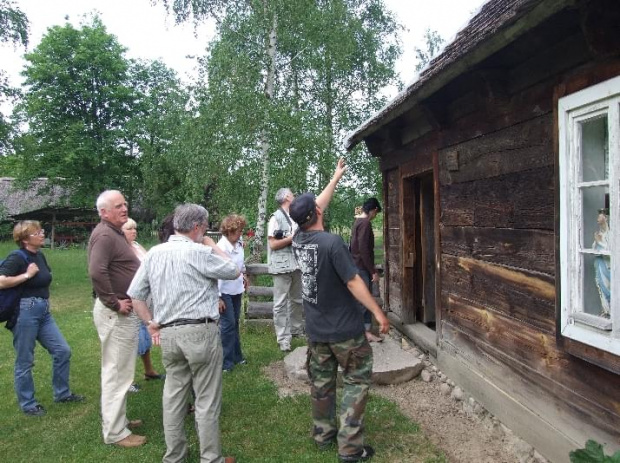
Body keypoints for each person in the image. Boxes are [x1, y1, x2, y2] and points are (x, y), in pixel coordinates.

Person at [289, 159, 390, 463]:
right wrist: (378, 313)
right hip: (346, 330)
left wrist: (336, 176)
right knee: (356, 383)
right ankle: (350, 449)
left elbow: (314, 206)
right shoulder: (332, 242)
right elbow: (353, 282)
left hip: (317, 331)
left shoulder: (298, 238)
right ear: (317, 214)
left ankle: (323, 434)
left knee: (321, 385)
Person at [128, 203, 239, 463]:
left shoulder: (154, 253)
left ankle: (175, 457)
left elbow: (135, 295)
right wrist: (212, 245)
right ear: (198, 227)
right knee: (206, 399)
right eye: (206, 228)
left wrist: (149, 322)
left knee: (174, 397)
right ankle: (211, 458)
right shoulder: (200, 252)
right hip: (200, 331)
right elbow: (233, 270)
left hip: (169, 334)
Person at [0, 221, 84, 417]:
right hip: (25, 312)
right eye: (38, 232)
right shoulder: (17, 257)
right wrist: (26, 275)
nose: (42, 234)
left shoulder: (40, 255)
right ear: (25, 238)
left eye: (41, 231)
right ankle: (28, 404)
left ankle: (62, 394)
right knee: (25, 360)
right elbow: (2, 281)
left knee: (62, 351)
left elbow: (46, 277)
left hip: (43, 311)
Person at [88, 190, 145, 448]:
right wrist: (114, 301)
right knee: (117, 372)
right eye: (118, 206)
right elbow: (96, 271)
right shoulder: (104, 235)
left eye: (125, 203)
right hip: (116, 312)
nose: (124, 208)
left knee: (120, 370)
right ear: (104, 212)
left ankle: (117, 419)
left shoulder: (114, 233)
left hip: (121, 310)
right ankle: (115, 433)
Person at [121, 218, 164, 385]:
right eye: (129, 229)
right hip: (129, 297)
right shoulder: (121, 250)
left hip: (144, 297)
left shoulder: (137, 246)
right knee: (131, 338)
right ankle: (126, 381)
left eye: (135, 228)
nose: (134, 231)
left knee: (145, 331)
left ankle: (148, 370)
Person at [267, 187, 304, 352]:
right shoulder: (275, 218)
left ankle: (296, 330)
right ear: (287, 197)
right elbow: (273, 244)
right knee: (280, 303)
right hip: (281, 267)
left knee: (297, 300)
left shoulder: (295, 217)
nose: (295, 196)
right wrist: (292, 238)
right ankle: (283, 339)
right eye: (293, 194)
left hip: (296, 264)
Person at [217, 214, 248, 372]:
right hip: (224, 291)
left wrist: (245, 275)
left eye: (241, 231)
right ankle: (225, 362)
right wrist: (218, 297)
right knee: (228, 325)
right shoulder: (221, 248)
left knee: (234, 322)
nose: (240, 234)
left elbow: (240, 265)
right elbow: (216, 274)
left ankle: (237, 356)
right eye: (238, 231)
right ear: (228, 231)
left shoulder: (239, 244)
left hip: (236, 288)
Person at [350, 198, 383, 343]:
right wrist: (373, 271)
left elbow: (353, 246)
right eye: (376, 213)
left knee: (359, 298)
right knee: (364, 299)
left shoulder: (357, 222)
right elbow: (363, 249)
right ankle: (365, 333)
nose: (375, 216)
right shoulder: (365, 224)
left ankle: (359, 331)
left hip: (355, 265)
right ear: (374, 210)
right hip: (362, 267)